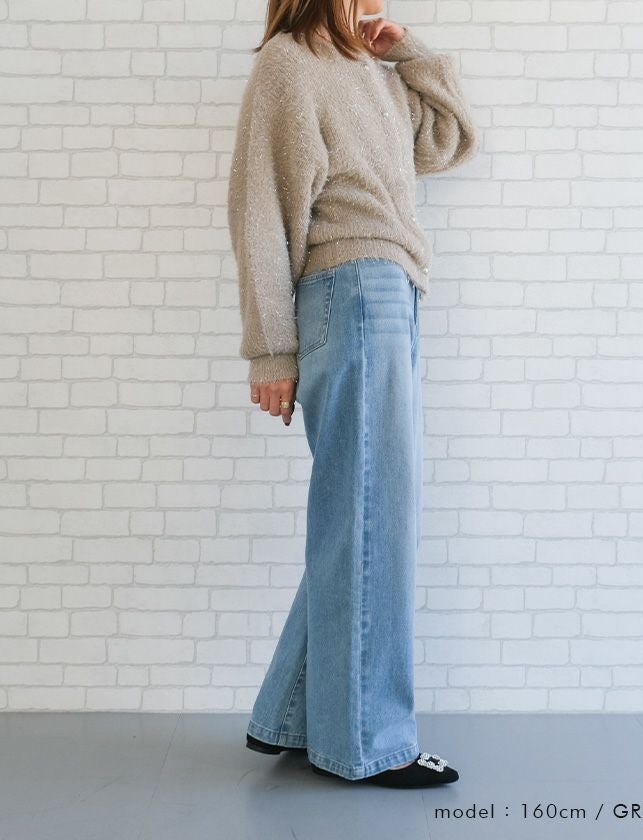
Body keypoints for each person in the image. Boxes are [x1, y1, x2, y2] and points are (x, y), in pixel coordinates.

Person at [227, 0, 478, 788]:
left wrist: (411, 51)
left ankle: (294, 715)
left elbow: (447, 141)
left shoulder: (366, 70)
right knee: (374, 518)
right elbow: (260, 210)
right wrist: (271, 348)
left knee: (358, 516)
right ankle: (370, 744)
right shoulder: (289, 64)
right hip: (354, 291)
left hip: (388, 293)